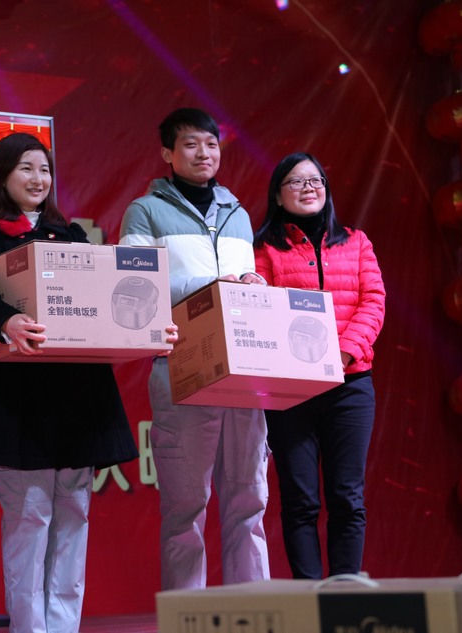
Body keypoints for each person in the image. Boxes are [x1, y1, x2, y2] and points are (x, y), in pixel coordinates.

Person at [0, 132, 176, 633]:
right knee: (29, 520)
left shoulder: (72, 234)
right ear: (2, 175)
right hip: (18, 395)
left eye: (45, 170)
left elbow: (101, 299)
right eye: (26, 168)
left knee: (74, 517)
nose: (38, 179)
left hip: (77, 393)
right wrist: (6, 321)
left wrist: (149, 329)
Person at [119, 107, 271, 590]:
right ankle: (188, 615)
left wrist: (253, 284)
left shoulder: (238, 214)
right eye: (190, 144)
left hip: (243, 369)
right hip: (182, 365)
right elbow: (133, 285)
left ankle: (254, 610)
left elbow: (247, 284)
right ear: (168, 153)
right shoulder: (144, 211)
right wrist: (211, 287)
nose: (204, 153)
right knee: (186, 506)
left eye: (211, 143)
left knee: (250, 501)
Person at [253, 151, 385, 579]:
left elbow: (373, 302)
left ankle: (345, 593)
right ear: (278, 195)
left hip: (351, 383)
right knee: (300, 501)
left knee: (348, 497)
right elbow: (260, 308)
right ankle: (308, 600)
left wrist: (342, 354)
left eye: (315, 180)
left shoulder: (356, 241)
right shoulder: (266, 249)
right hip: (291, 390)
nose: (308, 188)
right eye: (296, 181)